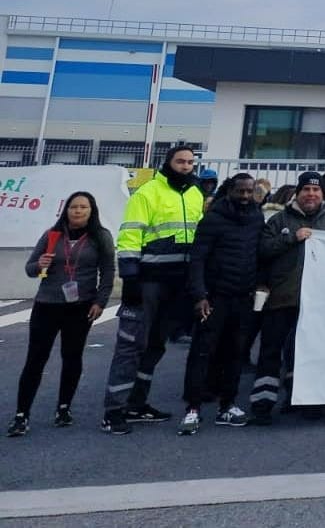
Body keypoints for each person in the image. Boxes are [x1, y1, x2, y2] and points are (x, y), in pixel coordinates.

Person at [102, 145, 206, 435]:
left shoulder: (195, 193)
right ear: (168, 162)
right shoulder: (148, 192)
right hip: (148, 281)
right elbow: (130, 234)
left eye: (190, 162)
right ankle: (113, 411)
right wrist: (130, 278)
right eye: (180, 161)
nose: (186, 166)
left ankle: (137, 403)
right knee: (131, 345)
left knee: (156, 344)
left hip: (178, 282)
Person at [8, 192, 115, 437]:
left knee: (72, 356)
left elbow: (108, 271)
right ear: (66, 210)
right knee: (36, 359)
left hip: (80, 306)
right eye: (73, 207)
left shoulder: (101, 237)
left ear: (91, 211)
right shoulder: (52, 235)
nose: (78, 211)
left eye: (83, 207)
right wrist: (40, 265)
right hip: (47, 304)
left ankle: (63, 407)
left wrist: (101, 301)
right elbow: (30, 269)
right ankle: (21, 414)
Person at [250, 171, 325, 425]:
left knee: (306, 353)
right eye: (306, 190)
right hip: (282, 296)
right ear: (298, 193)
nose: (311, 195)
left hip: (318, 302)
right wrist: (292, 238)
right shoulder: (278, 219)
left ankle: (299, 399)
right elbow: (263, 250)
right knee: (271, 351)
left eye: (316, 191)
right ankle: (262, 402)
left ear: (323, 195)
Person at [180, 173, 265, 433]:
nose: (245, 197)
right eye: (240, 191)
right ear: (230, 191)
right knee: (202, 352)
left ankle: (227, 405)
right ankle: (193, 408)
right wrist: (200, 295)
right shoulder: (213, 219)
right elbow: (198, 259)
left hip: (243, 296)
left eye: (249, 192)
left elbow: (259, 255)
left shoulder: (257, 217)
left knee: (236, 353)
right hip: (215, 297)